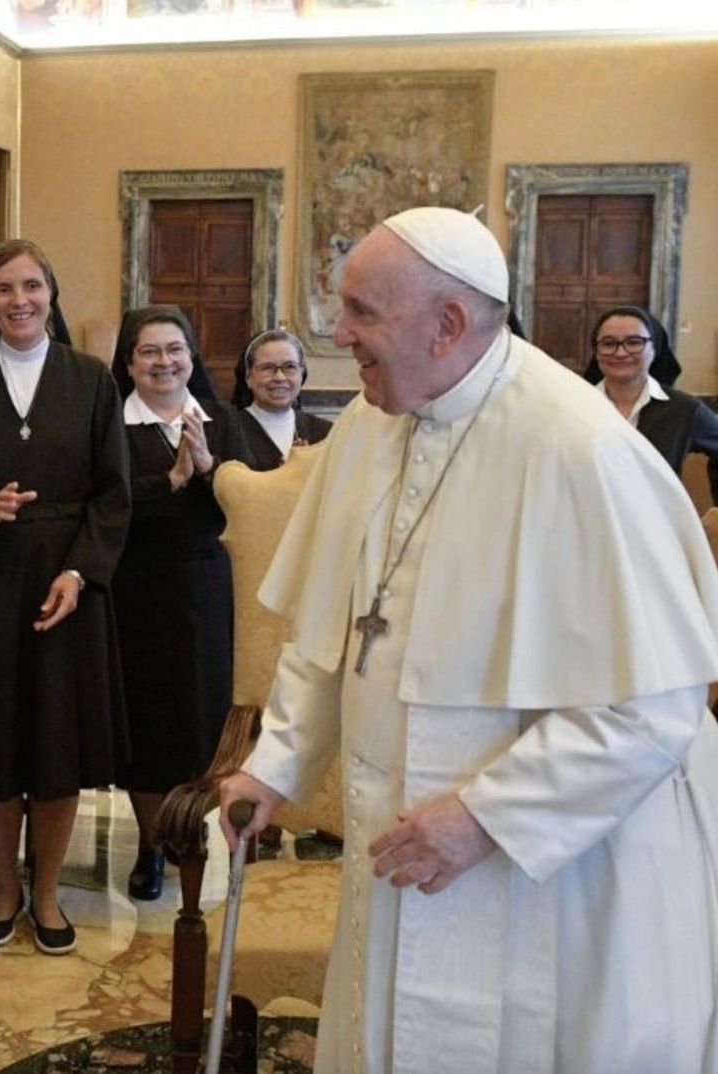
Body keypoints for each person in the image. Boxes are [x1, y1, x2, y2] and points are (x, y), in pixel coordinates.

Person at [218, 207, 718, 1073]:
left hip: (550, 872)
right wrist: (280, 760)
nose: (339, 335)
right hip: (400, 844)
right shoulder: (373, 421)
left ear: (448, 325)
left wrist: (489, 815)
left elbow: (652, 706)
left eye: (363, 312)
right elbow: (333, 622)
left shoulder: (582, 449)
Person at [0, 239, 130, 954]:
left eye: (32, 286)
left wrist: (81, 572)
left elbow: (114, 494)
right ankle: (4, 886)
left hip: (69, 582)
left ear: (52, 293)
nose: (19, 301)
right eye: (4, 289)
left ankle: (46, 893)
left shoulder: (90, 380)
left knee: (58, 740)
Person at [109, 305, 245, 901]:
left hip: (210, 592)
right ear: (129, 363)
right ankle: (150, 843)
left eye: (174, 349)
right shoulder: (111, 425)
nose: (164, 362)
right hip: (137, 594)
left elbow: (254, 501)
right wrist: (170, 478)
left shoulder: (224, 420)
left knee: (202, 721)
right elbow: (106, 508)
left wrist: (210, 469)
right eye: (149, 352)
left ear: (191, 356)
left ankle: (191, 833)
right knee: (147, 726)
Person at [582, 303, 718, 503]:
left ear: (655, 348)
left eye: (635, 342)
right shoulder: (574, 404)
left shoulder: (684, 410)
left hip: (658, 527)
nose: (620, 353)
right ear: (596, 351)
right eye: (608, 343)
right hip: (585, 524)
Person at [230, 327, 332, 471]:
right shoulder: (227, 430)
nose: (279, 377)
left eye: (290, 367)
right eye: (267, 368)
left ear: (302, 375)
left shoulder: (325, 432)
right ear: (248, 378)